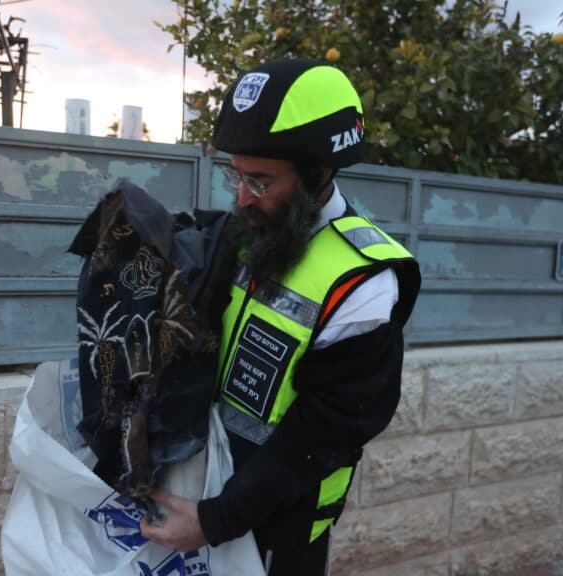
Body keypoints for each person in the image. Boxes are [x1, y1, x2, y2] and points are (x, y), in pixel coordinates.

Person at [139, 58, 421, 575]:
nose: (241, 198)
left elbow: (320, 436)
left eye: (261, 181)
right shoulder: (249, 231)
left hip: (274, 531)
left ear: (319, 174)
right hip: (201, 491)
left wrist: (213, 520)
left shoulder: (362, 285)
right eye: (237, 176)